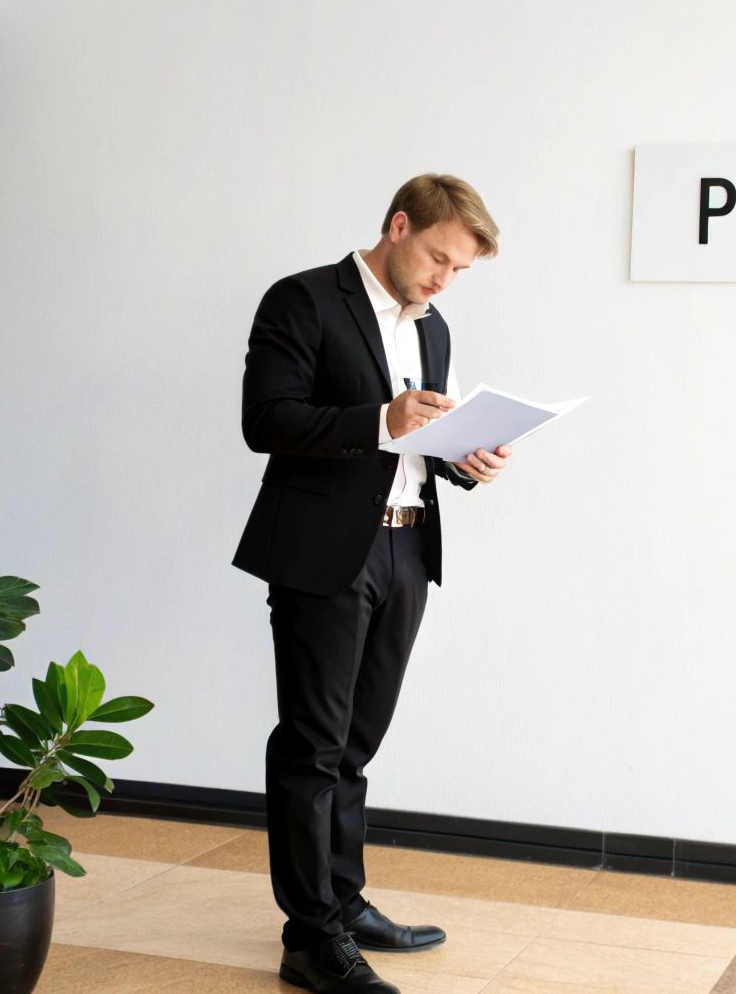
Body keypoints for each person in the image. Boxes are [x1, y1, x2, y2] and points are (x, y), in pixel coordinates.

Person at [233, 174, 512, 993]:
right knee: (312, 747)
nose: (442, 281)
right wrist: (377, 422)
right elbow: (266, 420)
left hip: (405, 548)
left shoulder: (434, 328)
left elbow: (421, 440)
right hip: (324, 554)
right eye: (437, 258)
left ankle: (344, 902)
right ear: (398, 225)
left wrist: (468, 459)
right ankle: (309, 938)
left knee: (356, 747)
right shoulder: (303, 301)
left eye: (459, 270)